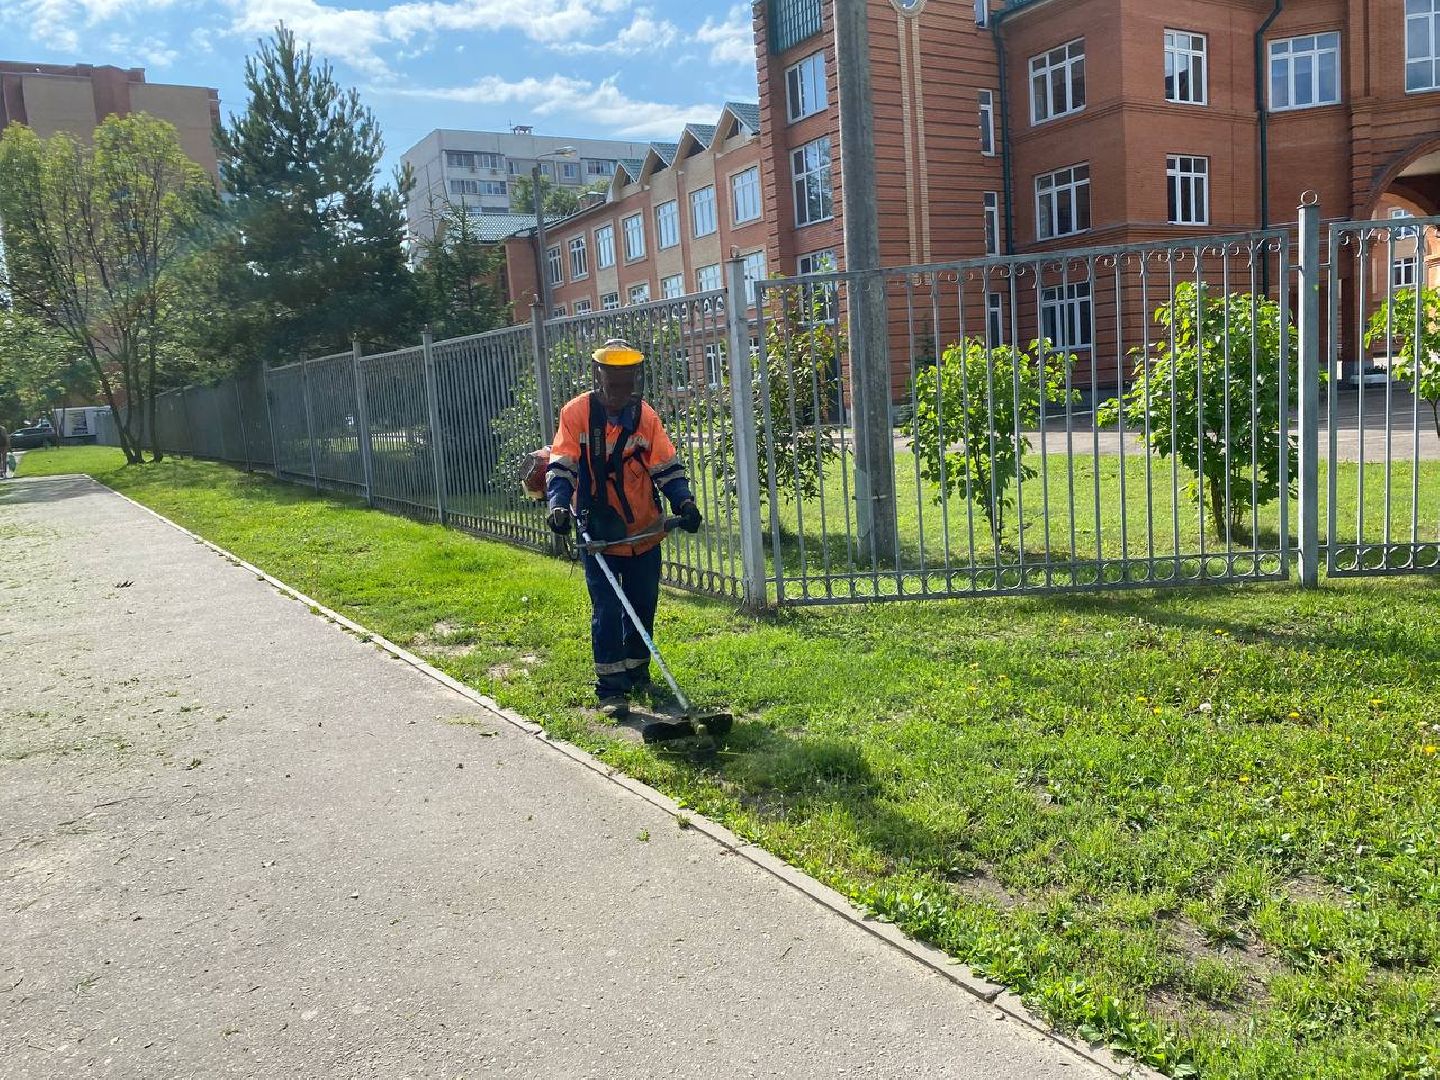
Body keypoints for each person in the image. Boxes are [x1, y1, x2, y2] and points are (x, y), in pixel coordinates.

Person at [545, 339, 702, 716]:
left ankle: (637, 673)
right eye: (613, 381)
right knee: (608, 608)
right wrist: (557, 506)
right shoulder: (577, 413)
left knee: (643, 605)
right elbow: (562, 463)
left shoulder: (644, 416)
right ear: (599, 375)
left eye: (626, 381)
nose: (619, 391)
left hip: (644, 531)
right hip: (598, 533)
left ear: (635, 378)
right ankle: (611, 690)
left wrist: (684, 502)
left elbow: (665, 466)